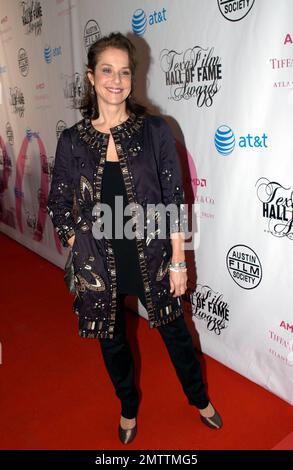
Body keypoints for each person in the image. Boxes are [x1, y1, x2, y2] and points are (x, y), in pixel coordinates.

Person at [47, 32, 222, 445]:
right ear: (91, 77)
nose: (116, 79)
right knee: (112, 342)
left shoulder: (154, 131)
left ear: (132, 77)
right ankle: (127, 407)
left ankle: (200, 399)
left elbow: (174, 197)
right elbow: (57, 202)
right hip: (99, 262)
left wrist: (179, 260)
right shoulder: (72, 140)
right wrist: (78, 243)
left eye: (124, 71)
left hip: (154, 253)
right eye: (107, 70)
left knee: (176, 334)